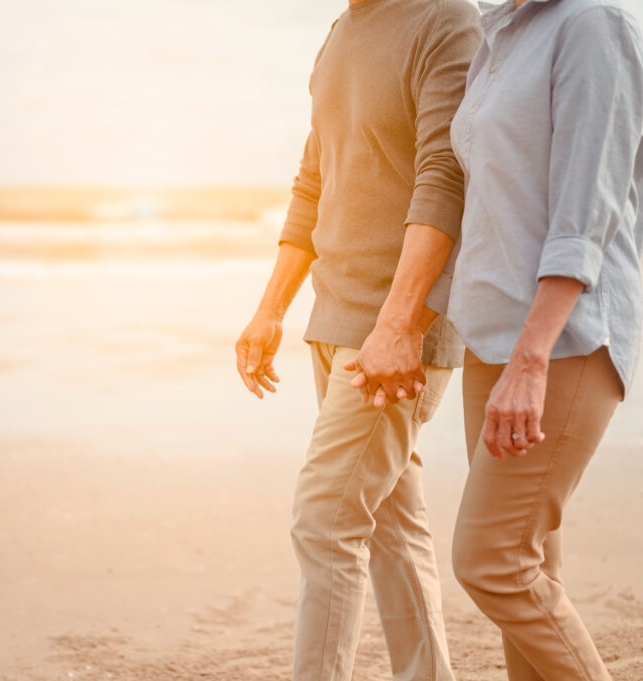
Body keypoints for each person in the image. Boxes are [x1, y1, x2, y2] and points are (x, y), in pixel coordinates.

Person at [351, 0, 643, 679]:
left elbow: (587, 210)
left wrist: (531, 357)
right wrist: (407, 325)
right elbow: (484, 210)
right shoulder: (500, 32)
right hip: (491, 339)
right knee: (529, 563)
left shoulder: (592, 24)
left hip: (563, 341)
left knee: (492, 561)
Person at [234, 1, 481, 679]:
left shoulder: (446, 20)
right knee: (394, 530)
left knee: (324, 519)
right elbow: (313, 182)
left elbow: (448, 176)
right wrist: (271, 308)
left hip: (393, 333)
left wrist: (400, 325)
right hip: (332, 322)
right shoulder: (339, 35)